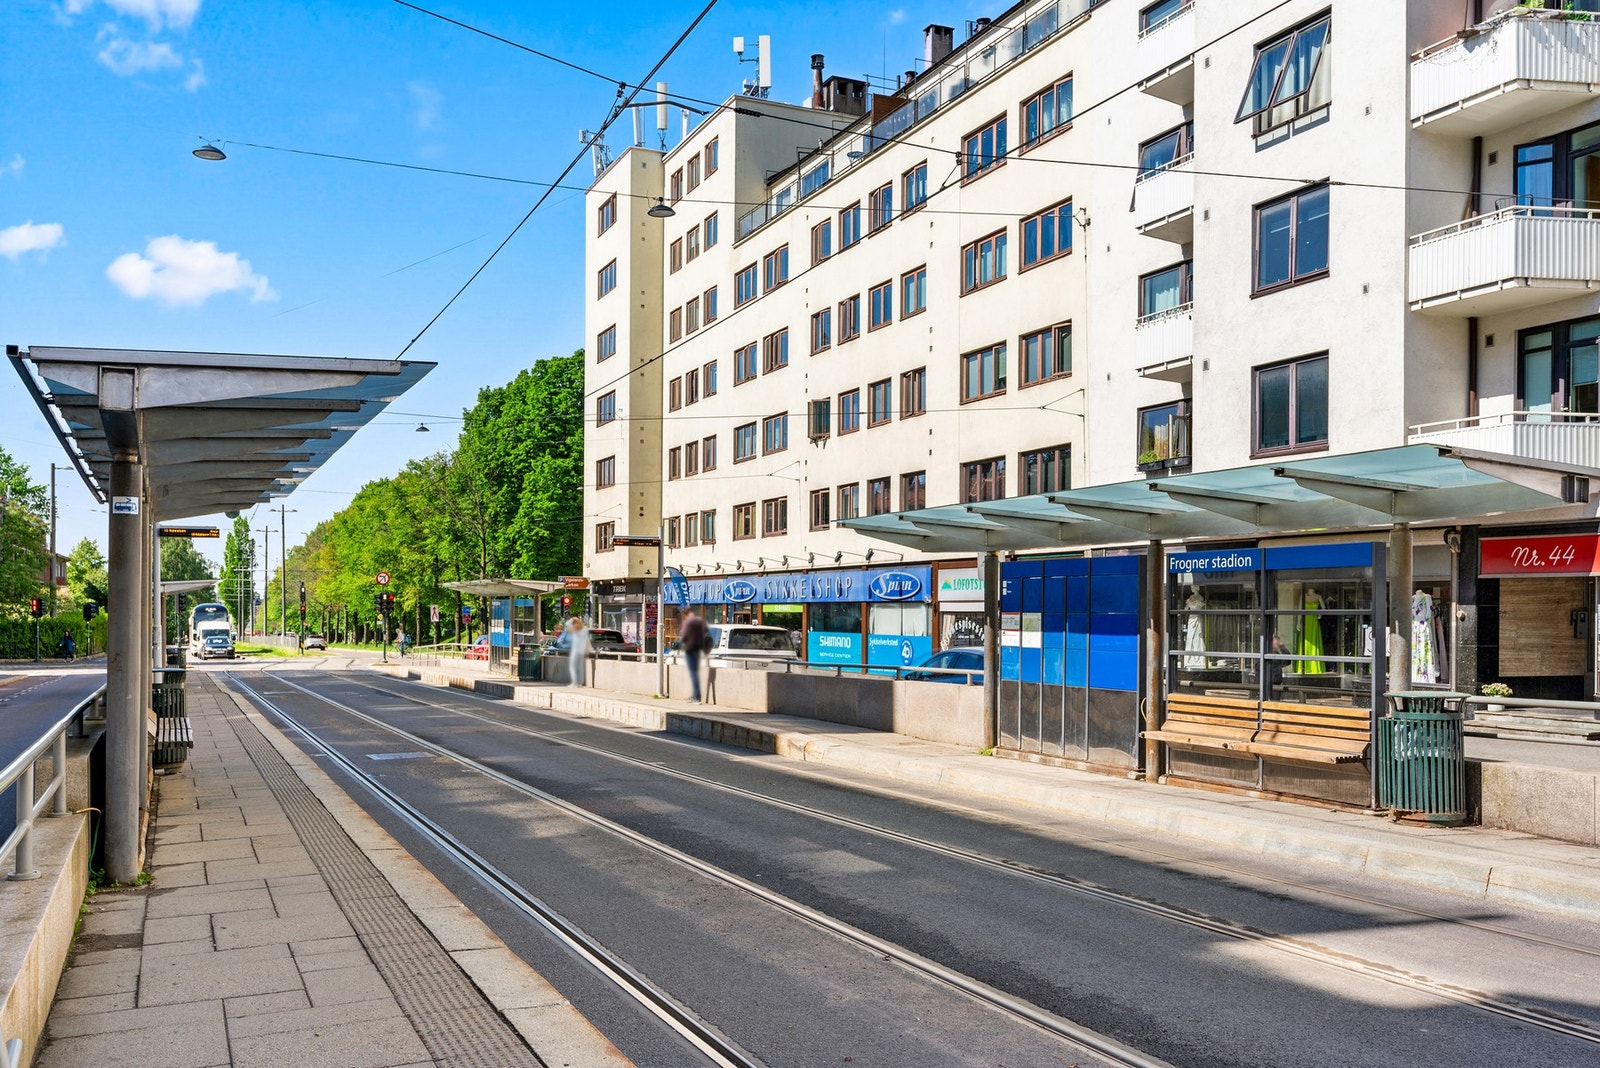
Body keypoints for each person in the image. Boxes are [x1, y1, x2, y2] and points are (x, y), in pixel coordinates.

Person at [678, 611, 708, 702]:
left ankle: (696, 697)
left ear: (686, 614)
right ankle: (696, 695)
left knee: (693, 673)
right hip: (698, 648)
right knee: (696, 672)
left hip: (690, 648)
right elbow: (705, 633)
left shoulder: (688, 622)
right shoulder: (700, 621)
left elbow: (684, 636)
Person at [565, 617, 590, 686]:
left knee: (572, 667)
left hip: (576, 650)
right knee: (580, 667)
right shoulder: (584, 629)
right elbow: (587, 640)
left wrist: (571, 620)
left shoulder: (575, 630)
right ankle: (580, 682)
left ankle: (574, 682)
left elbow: (567, 624)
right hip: (582, 650)